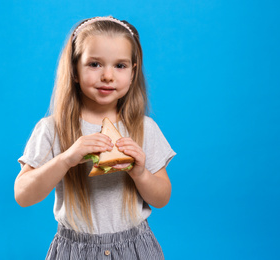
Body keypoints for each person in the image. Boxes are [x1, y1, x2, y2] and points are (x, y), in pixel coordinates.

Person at [15, 16, 176, 259]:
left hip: (134, 248)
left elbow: (162, 198)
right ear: (74, 70)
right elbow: (23, 195)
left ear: (133, 73)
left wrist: (140, 172)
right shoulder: (52, 129)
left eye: (120, 66)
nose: (108, 76)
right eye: (94, 64)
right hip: (75, 250)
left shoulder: (145, 128)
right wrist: (66, 159)